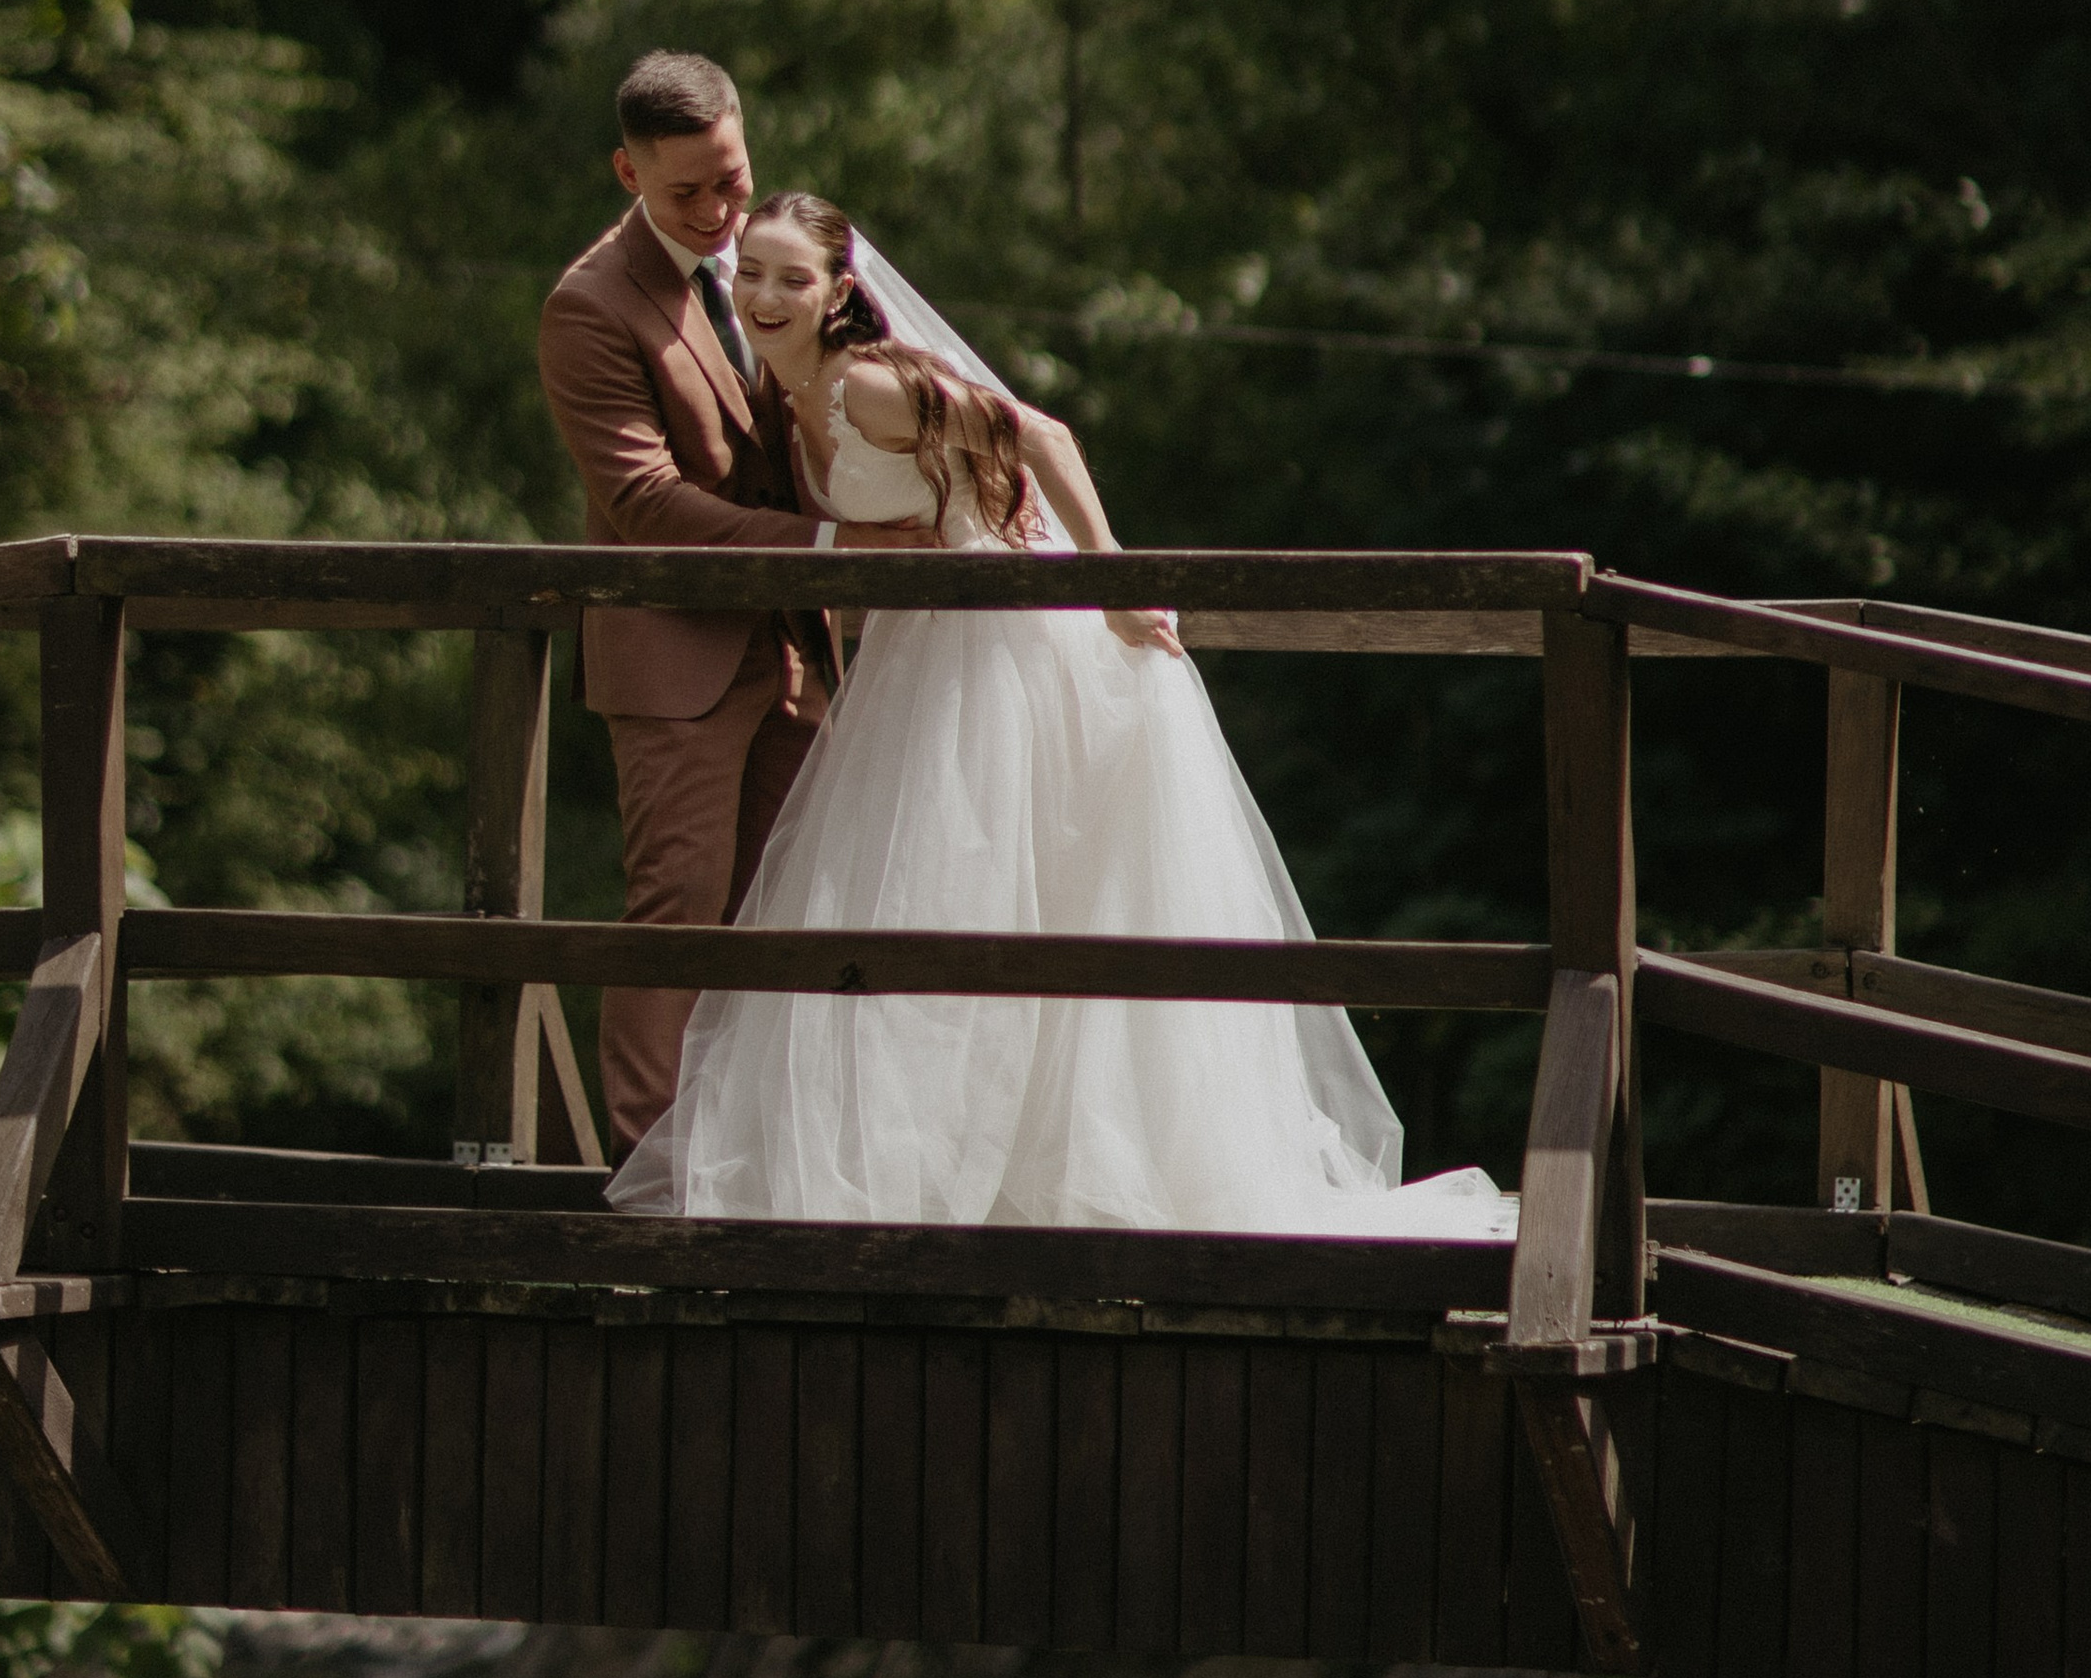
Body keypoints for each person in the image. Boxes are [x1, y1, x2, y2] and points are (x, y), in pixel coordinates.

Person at [609, 190, 1512, 1242]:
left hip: (1013, 646)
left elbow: (1041, 434)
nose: (765, 295)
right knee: (916, 904)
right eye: (751, 274)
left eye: (790, 277)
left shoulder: (868, 384)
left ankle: (1061, 1178)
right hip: (922, 654)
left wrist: (1113, 580)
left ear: (838, 292)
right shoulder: (790, 395)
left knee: (1019, 892)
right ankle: (933, 1175)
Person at [535, 56, 929, 1157]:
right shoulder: (589, 307)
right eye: (687, 195)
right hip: (675, 660)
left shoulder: (771, 265)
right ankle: (652, 1178)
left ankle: (767, 1156)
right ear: (627, 172)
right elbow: (643, 502)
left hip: (794, 652)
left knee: (794, 912)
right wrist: (828, 546)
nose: (718, 215)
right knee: (679, 911)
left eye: (734, 181)